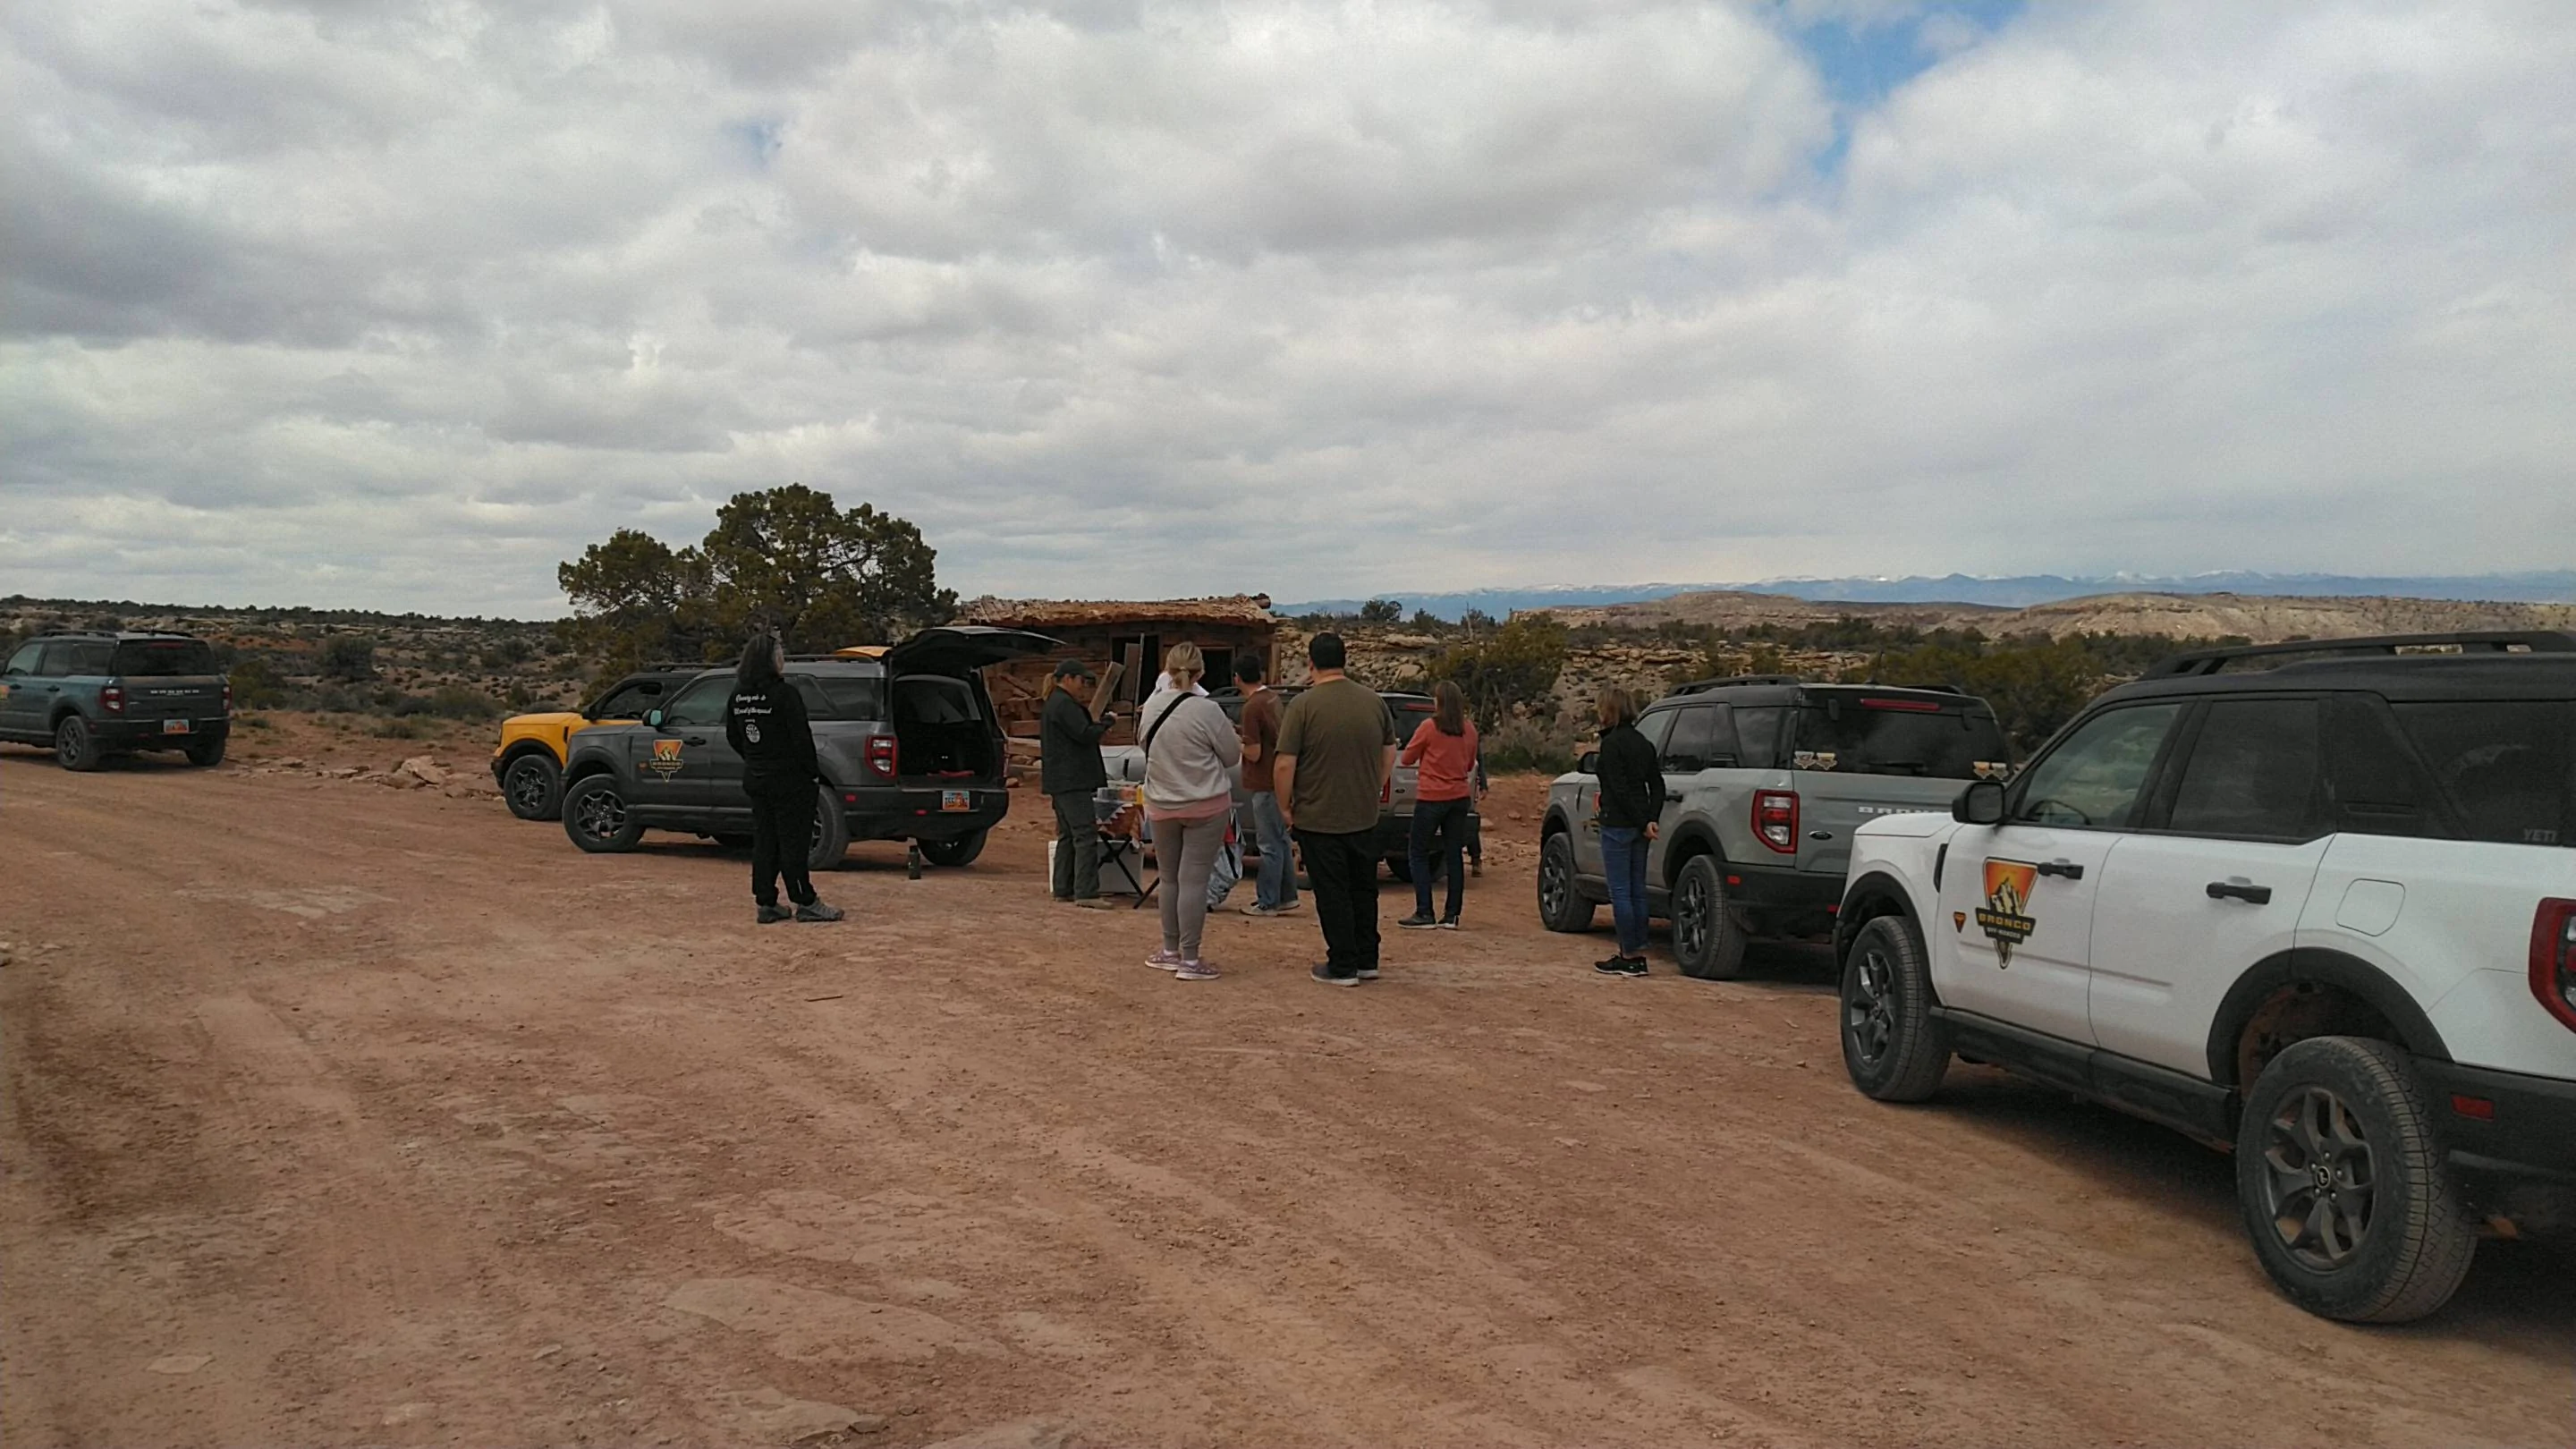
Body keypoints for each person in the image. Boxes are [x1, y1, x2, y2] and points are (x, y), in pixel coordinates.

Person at [1275, 633, 1397, 987]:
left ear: (1311, 663)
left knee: (1332, 892)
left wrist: (1285, 806)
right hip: (1363, 813)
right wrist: (1373, 784)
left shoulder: (1303, 706)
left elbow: (1285, 763)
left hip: (1318, 816)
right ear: (1345, 660)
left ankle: (1342, 964)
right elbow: (1389, 751)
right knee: (1363, 888)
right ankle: (1366, 958)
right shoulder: (1373, 702)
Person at [1137, 644, 1241, 980]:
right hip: (1205, 803)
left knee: (1169, 878)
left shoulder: (1151, 707)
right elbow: (1230, 756)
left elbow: (1143, 746)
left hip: (1162, 802)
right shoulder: (1207, 710)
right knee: (1194, 880)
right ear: (1200, 673)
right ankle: (1191, 959)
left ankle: (1169, 950)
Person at [725, 630, 843, 925]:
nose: (783, 658)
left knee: (765, 841)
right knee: (794, 843)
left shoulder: (739, 695)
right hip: (790, 781)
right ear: (767, 659)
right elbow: (801, 740)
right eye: (779, 653)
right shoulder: (785, 694)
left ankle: (766, 902)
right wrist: (811, 775)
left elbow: (734, 735)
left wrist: (755, 758)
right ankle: (805, 901)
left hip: (757, 778)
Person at [1591, 686, 1663, 977]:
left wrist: (1639, 820)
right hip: (1639, 828)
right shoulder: (1644, 743)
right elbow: (1657, 785)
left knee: (1620, 891)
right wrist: (1650, 819)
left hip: (1618, 825)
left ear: (1609, 710)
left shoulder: (1611, 745)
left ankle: (1628, 954)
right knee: (1637, 890)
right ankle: (1638, 950)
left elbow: (1618, 790)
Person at [1396, 680, 1479, 930]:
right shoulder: (1469, 730)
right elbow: (1468, 765)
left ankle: (1424, 911)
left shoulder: (1429, 728)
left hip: (1432, 797)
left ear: (1439, 702)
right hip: (1459, 797)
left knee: (1418, 851)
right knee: (1453, 854)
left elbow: (1408, 758)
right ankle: (1452, 914)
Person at [1040, 659, 1119, 910]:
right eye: (1081, 681)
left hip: (1060, 780)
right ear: (1068, 679)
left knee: (1068, 834)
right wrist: (1106, 722)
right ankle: (1086, 891)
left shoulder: (1055, 703)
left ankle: (1063, 887)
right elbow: (1084, 734)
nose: (1083, 686)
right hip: (1072, 779)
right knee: (1084, 834)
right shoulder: (1064, 704)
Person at [1233, 654, 1301, 918]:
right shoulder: (1272, 698)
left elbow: (1254, 753)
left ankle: (1267, 900)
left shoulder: (1251, 707)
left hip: (1263, 781)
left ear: (1236, 678)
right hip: (1279, 780)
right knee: (1281, 841)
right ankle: (1287, 895)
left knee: (1268, 844)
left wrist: (1234, 741)